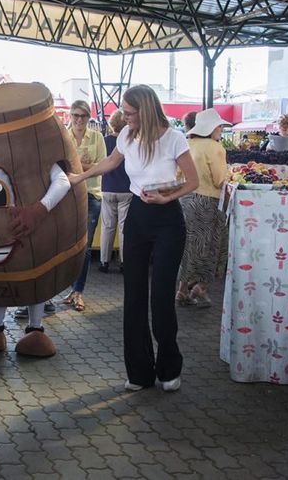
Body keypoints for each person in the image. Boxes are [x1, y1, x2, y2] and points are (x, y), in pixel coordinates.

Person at [69, 84, 199, 393]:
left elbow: (193, 181)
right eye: (124, 114)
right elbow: (110, 163)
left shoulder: (174, 138)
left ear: (146, 109)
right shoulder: (126, 136)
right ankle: (139, 372)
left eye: (129, 113)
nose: (124, 118)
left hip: (168, 220)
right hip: (138, 214)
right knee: (134, 295)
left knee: (161, 297)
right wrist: (80, 177)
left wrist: (169, 198)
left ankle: (169, 369)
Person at [176, 108, 229, 309]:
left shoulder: (187, 144)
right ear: (212, 128)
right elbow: (219, 180)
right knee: (210, 247)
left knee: (189, 247)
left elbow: (178, 174)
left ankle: (182, 289)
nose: (221, 130)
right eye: (219, 126)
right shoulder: (215, 148)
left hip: (185, 200)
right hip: (207, 202)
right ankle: (200, 287)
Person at [62, 100, 106, 312]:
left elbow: (104, 167)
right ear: (70, 116)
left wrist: (79, 165)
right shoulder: (64, 137)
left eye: (83, 116)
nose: (79, 120)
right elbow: (58, 168)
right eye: (75, 115)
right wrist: (87, 165)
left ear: (89, 118)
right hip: (67, 197)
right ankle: (70, 289)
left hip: (91, 195)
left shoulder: (96, 137)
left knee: (85, 248)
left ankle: (78, 291)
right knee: (67, 246)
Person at [98, 109, 132, 274]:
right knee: (124, 227)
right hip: (126, 189)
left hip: (107, 187)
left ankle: (104, 261)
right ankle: (124, 262)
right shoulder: (129, 141)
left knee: (107, 226)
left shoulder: (104, 141)